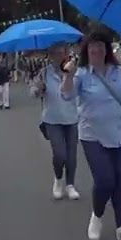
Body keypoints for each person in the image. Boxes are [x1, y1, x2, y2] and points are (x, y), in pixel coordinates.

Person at [61, 28, 121, 240]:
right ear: (86, 50)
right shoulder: (82, 74)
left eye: (100, 46)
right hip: (93, 135)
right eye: (92, 46)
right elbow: (66, 95)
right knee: (105, 180)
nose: (96, 50)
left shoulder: (119, 72)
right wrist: (68, 74)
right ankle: (97, 215)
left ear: (107, 49)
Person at [35, 44, 81, 201]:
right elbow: (33, 92)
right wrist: (38, 88)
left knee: (72, 155)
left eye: (61, 52)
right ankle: (58, 179)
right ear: (50, 55)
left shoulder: (75, 70)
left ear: (67, 53)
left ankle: (70, 185)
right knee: (60, 153)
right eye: (54, 53)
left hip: (72, 117)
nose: (58, 56)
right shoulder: (44, 73)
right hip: (52, 118)